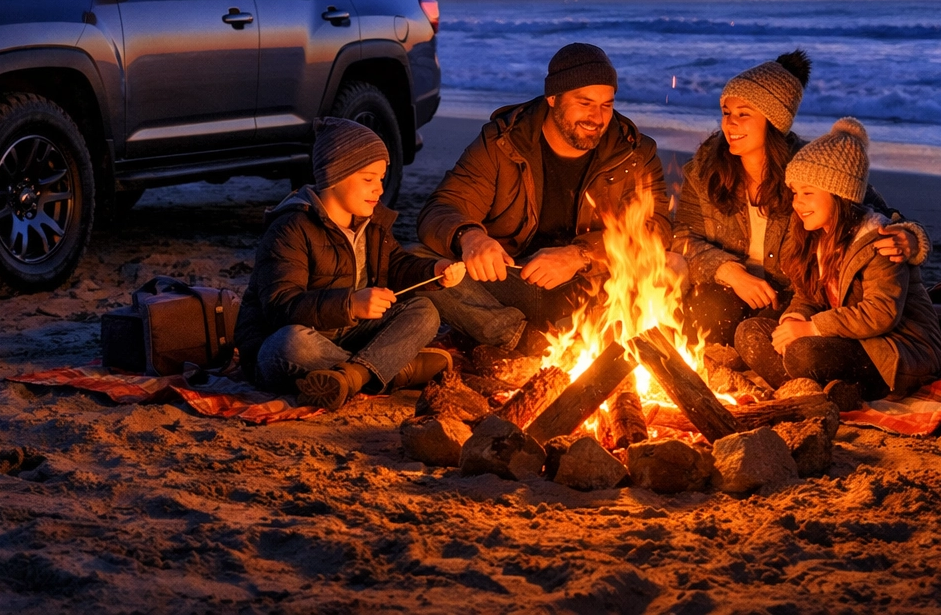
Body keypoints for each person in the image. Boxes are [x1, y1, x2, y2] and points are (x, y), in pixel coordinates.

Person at [417, 43, 669, 350]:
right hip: (511, 280)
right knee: (417, 261)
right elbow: (442, 207)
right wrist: (470, 238)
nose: (597, 117)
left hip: (589, 287)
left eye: (606, 105)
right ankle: (522, 339)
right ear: (553, 98)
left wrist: (579, 256)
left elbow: (655, 229)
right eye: (585, 103)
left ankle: (588, 338)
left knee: (670, 264)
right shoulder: (501, 143)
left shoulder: (634, 153)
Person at [672, 51, 930, 347]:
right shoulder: (705, 169)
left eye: (744, 114)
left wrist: (910, 238)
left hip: (791, 299)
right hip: (727, 290)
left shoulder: (809, 167)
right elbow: (681, 237)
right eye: (726, 113)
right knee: (708, 311)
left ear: (773, 121)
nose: (730, 124)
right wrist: (727, 270)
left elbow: (871, 212)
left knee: (769, 339)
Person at [235, 118, 465, 411]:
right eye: (369, 179)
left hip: (351, 335)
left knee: (425, 311)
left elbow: (395, 264)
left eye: (381, 179)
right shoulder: (291, 227)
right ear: (334, 176)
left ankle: (351, 376)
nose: (379, 189)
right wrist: (351, 305)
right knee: (290, 344)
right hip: (294, 343)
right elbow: (280, 306)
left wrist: (433, 271)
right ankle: (393, 370)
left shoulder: (370, 223)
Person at [732, 118, 941, 401]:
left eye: (808, 193)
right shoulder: (813, 236)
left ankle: (825, 391)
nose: (798, 203)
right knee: (750, 333)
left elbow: (880, 314)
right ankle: (816, 392)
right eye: (796, 193)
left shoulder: (880, 241)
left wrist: (811, 328)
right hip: (844, 339)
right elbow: (807, 296)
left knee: (803, 354)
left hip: (893, 350)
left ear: (840, 196)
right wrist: (794, 319)